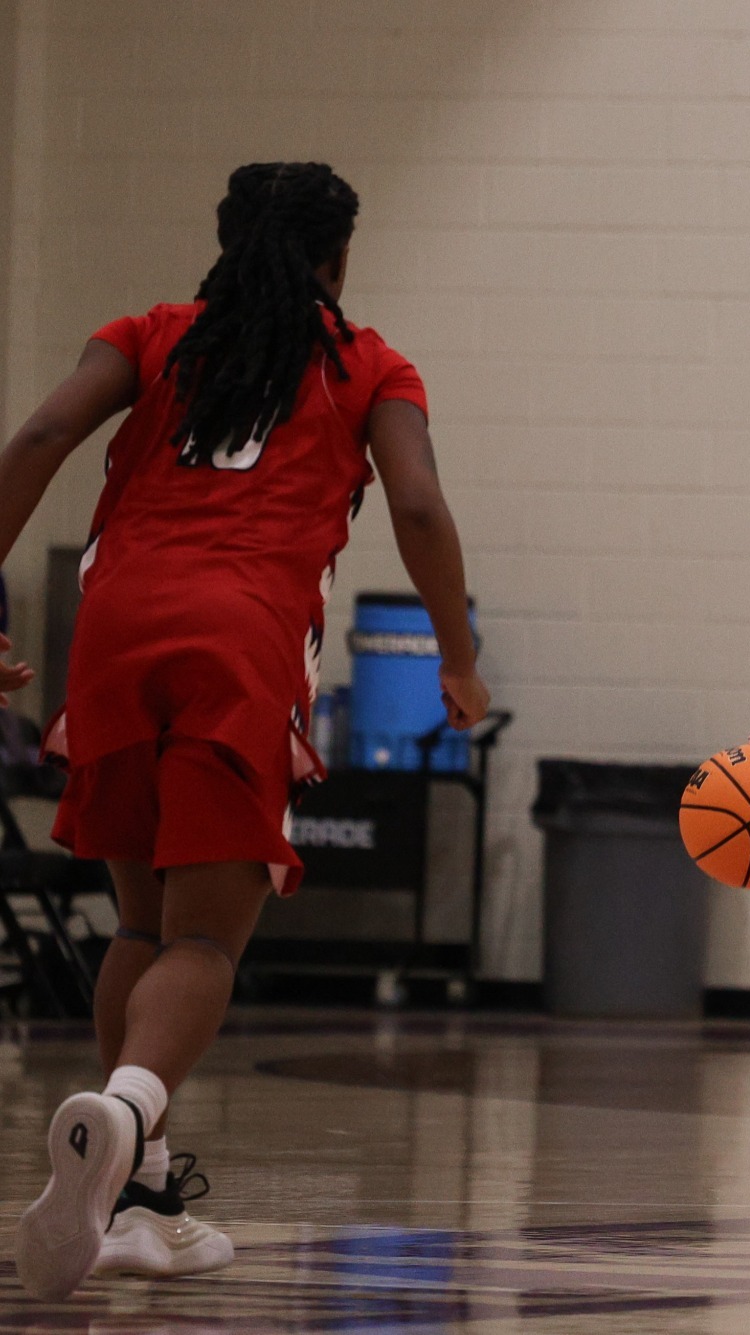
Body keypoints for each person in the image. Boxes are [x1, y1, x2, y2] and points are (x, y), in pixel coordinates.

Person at [0, 161, 488, 1299]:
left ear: (222, 242)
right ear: (339, 259)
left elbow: (37, 437)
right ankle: (124, 1117)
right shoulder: (370, 363)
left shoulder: (150, 333)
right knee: (205, 943)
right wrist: (455, 661)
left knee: (138, 920)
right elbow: (416, 503)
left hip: (113, 622)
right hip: (241, 637)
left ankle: (139, 1199)